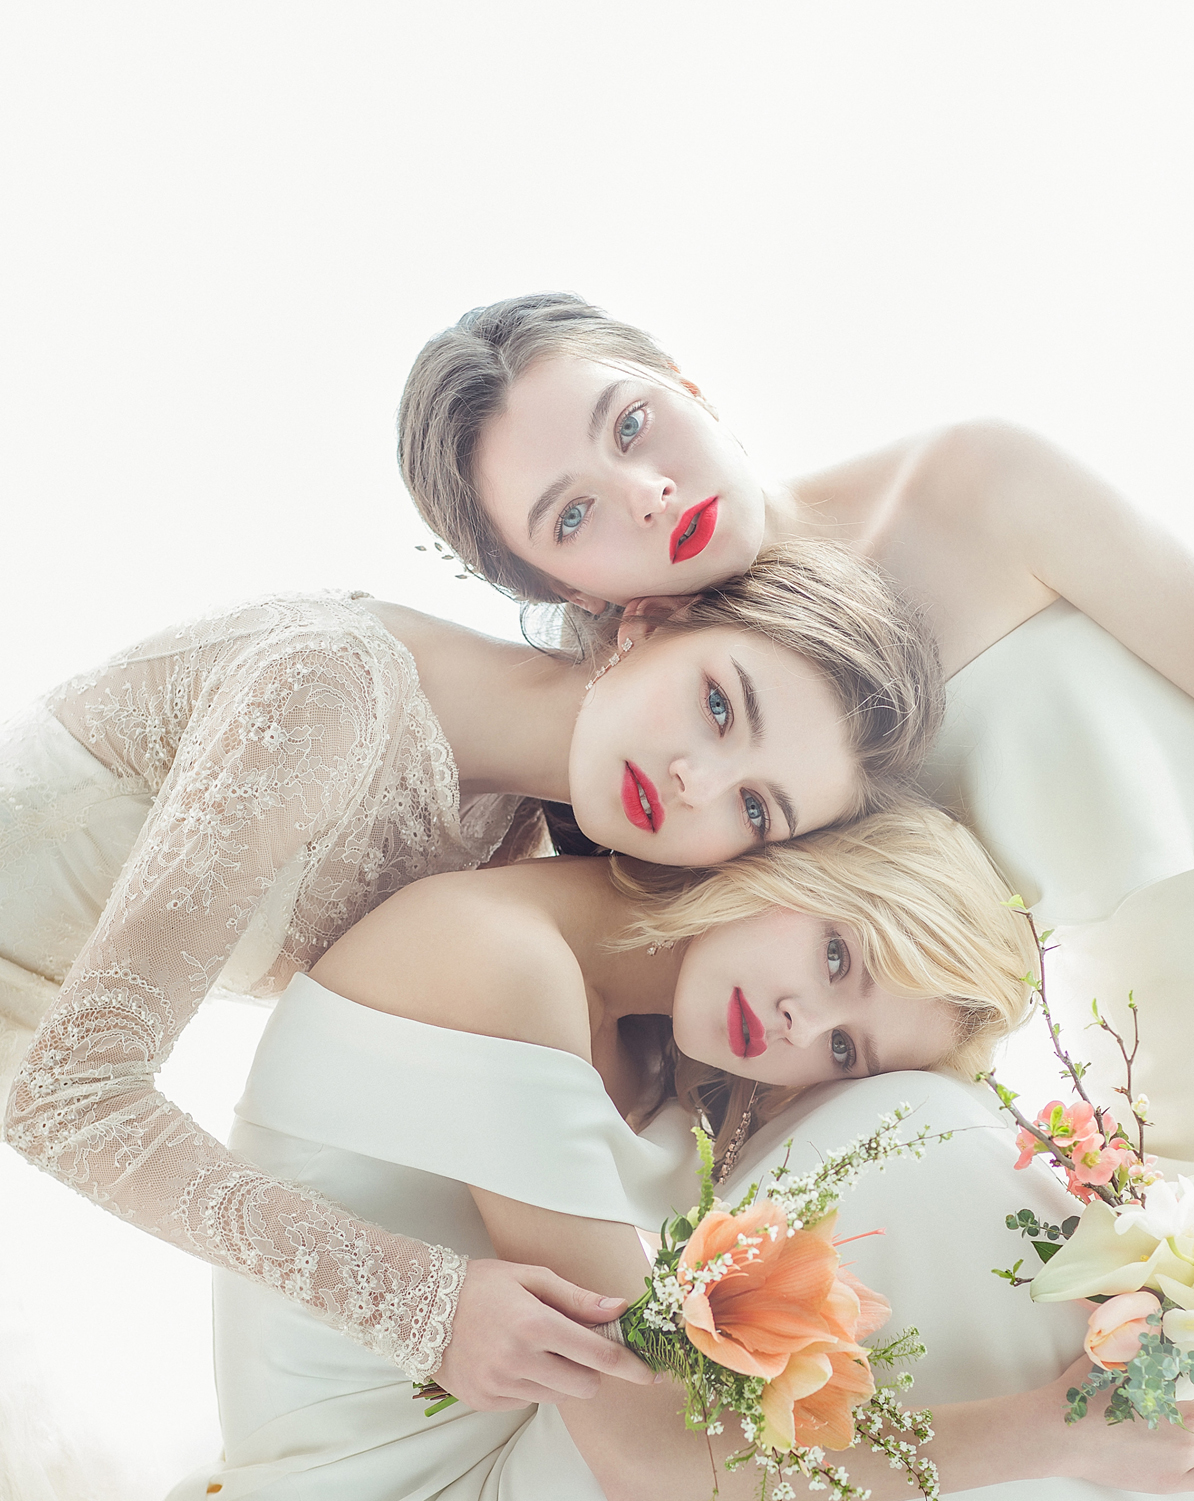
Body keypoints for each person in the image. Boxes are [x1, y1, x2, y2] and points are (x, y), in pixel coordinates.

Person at [135, 804, 1194, 1501]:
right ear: (798, 862)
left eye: (841, 1041)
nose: (796, 1023)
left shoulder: (656, 1039)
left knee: (929, 1155)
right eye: (836, 953)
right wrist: (1050, 1433)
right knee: (921, 1138)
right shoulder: (493, 960)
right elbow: (643, 1463)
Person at [0, 546, 937, 1405]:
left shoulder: (517, 837)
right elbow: (67, 1099)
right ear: (648, 622)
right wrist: (423, 1307)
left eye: (755, 809)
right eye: (721, 706)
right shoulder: (328, 689)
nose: (697, 780)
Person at [399, 293, 1194, 1192]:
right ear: (573, 591)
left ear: (688, 386)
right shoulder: (684, 787)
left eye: (631, 424)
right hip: (1151, 1136)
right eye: (571, 516)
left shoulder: (977, 487)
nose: (645, 494)